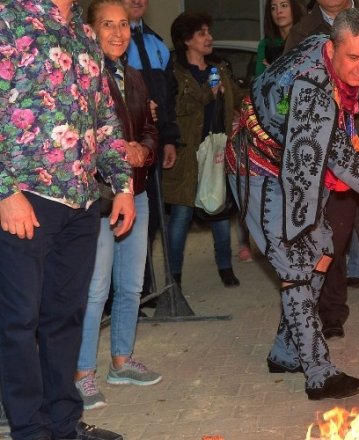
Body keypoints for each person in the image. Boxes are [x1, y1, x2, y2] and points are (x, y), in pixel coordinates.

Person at [226, 7, 359, 399]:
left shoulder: (322, 47)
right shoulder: (313, 93)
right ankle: (318, 374)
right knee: (297, 261)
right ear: (332, 48)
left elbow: (329, 155)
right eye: (354, 58)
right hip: (257, 168)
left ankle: (285, 351)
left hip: (291, 155)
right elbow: (339, 169)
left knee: (323, 248)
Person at [0, 0, 136, 438]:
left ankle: (63, 424)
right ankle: (29, 430)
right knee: (19, 322)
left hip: (80, 202)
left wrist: (123, 186)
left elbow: (104, 118)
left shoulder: (83, 32)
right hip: (25, 199)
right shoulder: (9, 18)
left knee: (65, 317)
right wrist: (5, 192)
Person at [282, 0, 359, 340]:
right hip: (327, 153)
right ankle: (331, 310)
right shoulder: (302, 32)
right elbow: (290, 93)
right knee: (331, 233)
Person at [74, 0, 162, 412]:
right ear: (89, 30)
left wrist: (143, 150)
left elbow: (150, 127)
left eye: (123, 24)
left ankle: (122, 361)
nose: (117, 32)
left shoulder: (134, 75)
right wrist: (115, 151)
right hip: (99, 196)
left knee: (131, 284)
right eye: (107, 24)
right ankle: (81, 374)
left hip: (136, 191)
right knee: (95, 289)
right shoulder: (80, 74)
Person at [163, 12, 244, 288]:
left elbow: (239, 97)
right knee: (181, 215)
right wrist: (209, 94)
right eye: (202, 33)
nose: (209, 37)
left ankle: (225, 266)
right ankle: (174, 276)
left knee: (218, 208)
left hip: (216, 152)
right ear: (187, 40)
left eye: (209, 31)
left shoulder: (219, 70)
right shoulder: (175, 74)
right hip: (186, 155)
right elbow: (176, 109)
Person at [123, 0, 180, 298]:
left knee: (151, 218)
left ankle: (141, 290)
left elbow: (168, 98)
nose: (137, 0)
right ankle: (120, 295)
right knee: (124, 219)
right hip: (123, 147)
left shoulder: (156, 43)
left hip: (153, 146)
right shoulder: (111, 40)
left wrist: (169, 138)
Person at [256, 0, 305, 76]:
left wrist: (276, 71)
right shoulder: (265, 44)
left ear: (294, 8)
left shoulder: (307, 41)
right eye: (273, 8)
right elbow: (258, 80)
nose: (278, 11)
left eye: (284, 5)